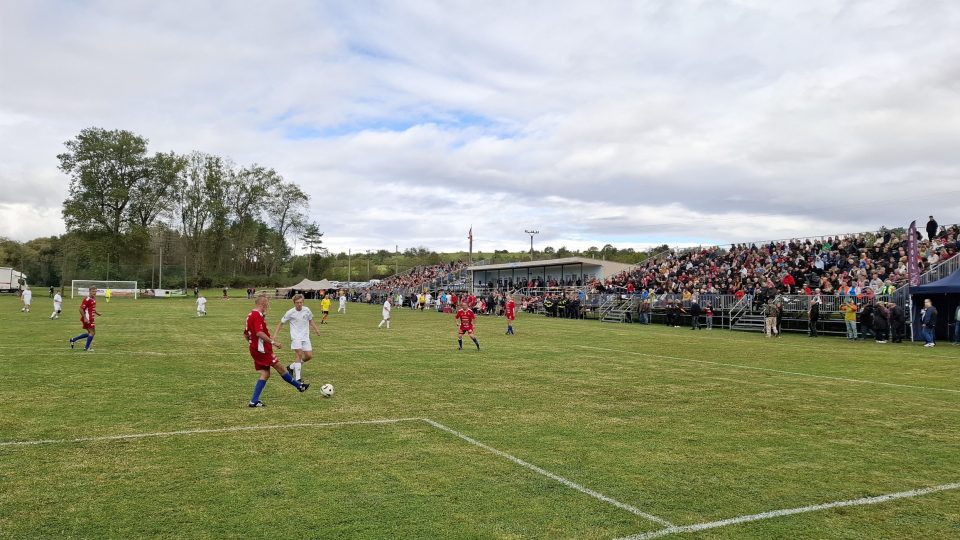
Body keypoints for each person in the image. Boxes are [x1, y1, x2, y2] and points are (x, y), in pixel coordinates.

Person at [244, 294, 309, 407]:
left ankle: (254, 401)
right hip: (262, 350)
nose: (268, 305)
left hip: (257, 349)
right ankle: (299, 386)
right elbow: (259, 333)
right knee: (280, 368)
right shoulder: (256, 315)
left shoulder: (250, 314)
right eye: (267, 303)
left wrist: (253, 344)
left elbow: (246, 334)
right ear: (262, 303)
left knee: (265, 373)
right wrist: (273, 342)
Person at [274, 294, 322, 384]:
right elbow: (281, 323)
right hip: (296, 337)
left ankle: (291, 367)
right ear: (294, 303)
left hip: (305, 336)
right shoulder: (290, 312)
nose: (299, 304)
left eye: (301, 302)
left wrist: (316, 329)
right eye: (297, 303)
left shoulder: (307, 310)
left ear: (303, 302)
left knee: (308, 356)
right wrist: (276, 335)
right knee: (299, 354)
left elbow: (310, 320)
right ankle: (298, 378)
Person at [70, 286, 101, 351]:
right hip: (87, 318)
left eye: (95, 291)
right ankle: (86, 348)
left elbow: (91, 308)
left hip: (91, 318)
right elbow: (81, 309)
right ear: (89, 291)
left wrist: (97, 313)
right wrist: (85, 318)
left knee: (91, 333)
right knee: (92, 333)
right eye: (93, 291)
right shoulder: (87, 299)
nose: (94, 293)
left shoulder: (93, 299)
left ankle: (73, 339)